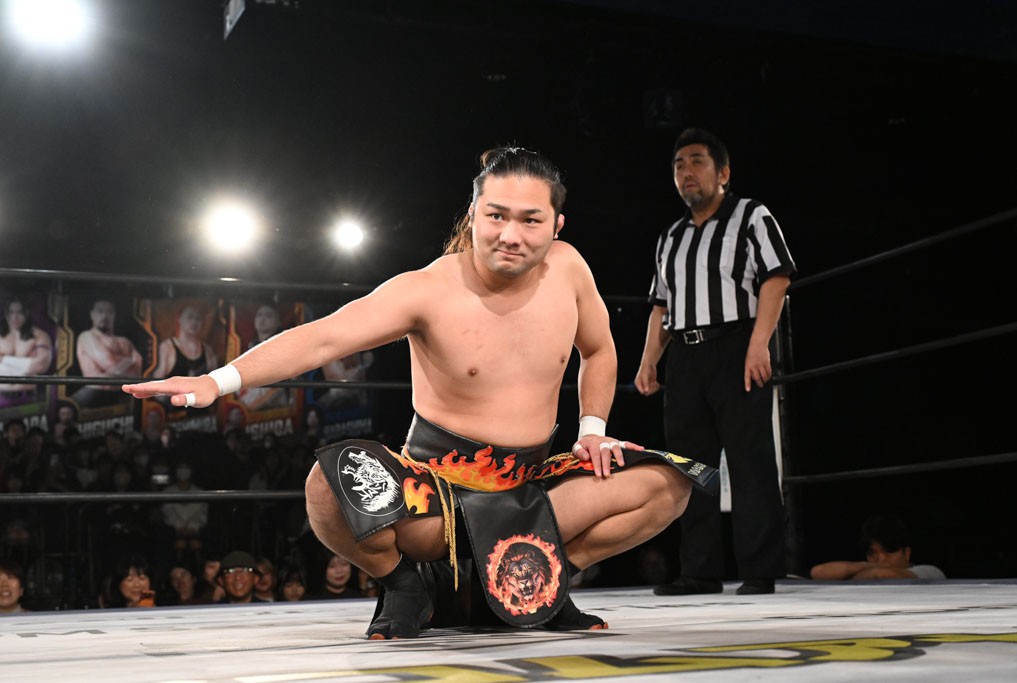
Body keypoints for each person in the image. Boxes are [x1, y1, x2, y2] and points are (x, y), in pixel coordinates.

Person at [123, 146, 717, 639]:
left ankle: (542, 578)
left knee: (669, 485)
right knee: (326, 485)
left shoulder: (569, 268)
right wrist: (216, 381)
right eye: (496, 216)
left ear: (557, 225)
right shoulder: (428, 289)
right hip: (437, 499)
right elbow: (324, 337)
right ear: (475, 213)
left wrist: (592, 431)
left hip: (533, 489)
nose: (511, 235)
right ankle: (405, 584)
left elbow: (600, 350)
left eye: (531, 220)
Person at [634, 128, 796, 596]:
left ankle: (760, 570)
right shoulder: (670, 237)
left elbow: (776, 278)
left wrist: (759, 344)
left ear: (723, 172)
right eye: (678, 165)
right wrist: (648, 362)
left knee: (750, 459)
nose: (686, 172)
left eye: (697, 161)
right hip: (686, 355)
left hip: (737, 343)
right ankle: (699, 571)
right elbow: (662, 306)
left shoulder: (750, 215)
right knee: (690, 466)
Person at [810, 514, 946, 580]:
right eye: (872, 553)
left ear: (906, 553)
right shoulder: (866, 572)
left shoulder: (930, 572)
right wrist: (865, 567)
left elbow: (881, 574)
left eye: (889, 551)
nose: (881, 559)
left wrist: (850, 578)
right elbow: (817, 572)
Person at [74, 299, 143, 406]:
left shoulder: (125, 342)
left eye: (109, 312)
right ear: (92, 314)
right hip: (93, 394)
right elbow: (110, 364)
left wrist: (112, 371)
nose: (105, 316)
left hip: (124, 395)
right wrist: (129, 361)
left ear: (114, 315)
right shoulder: (86, 336)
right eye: (100, 311)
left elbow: (137, 373)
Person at [0, 297, 53, 400]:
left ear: (26, 313)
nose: (15, 317)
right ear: (6, 314)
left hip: (28, 396)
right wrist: (27, 367)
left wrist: (4, 360)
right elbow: (34, 366)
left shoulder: (39, 335)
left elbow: (41, 366)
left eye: (19, 312)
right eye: (11, 312)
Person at [153, 304, 218, 380]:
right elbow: (157, 378)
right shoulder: (167, 347)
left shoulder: (208, 351)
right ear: (179, 319)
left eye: (198, 319)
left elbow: (215, 380)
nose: (194, 322)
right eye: (190, 317)